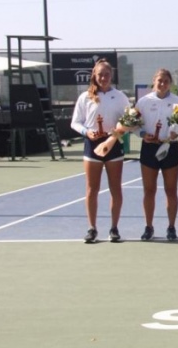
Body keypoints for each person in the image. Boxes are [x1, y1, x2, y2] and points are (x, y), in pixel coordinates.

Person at [70, 59, 129, 243]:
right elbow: (75, 122)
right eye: (100, 74)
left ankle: (114, 228)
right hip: (91, 146)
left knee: (115, 189)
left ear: (111, 76)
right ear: (94, 75)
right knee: (92, 189)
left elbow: (129, 120)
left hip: (113, 146)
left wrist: (118, 132)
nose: (103, 78)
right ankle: (92, 228)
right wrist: (87, 132)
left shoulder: (120, 97)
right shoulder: (85, 97)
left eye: (107, 74)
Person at [135, 69, 178, 241]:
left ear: (170, 83)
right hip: (149, 149)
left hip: (170, 148)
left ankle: (171, 227)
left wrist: (176, 133)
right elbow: (134, 125)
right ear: (154, 81)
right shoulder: (143, 102)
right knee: (149, 190)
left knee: (171, 190)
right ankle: (148, 227)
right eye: (159, 81)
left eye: (166, 81)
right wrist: (143, 135)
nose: (162, 84)